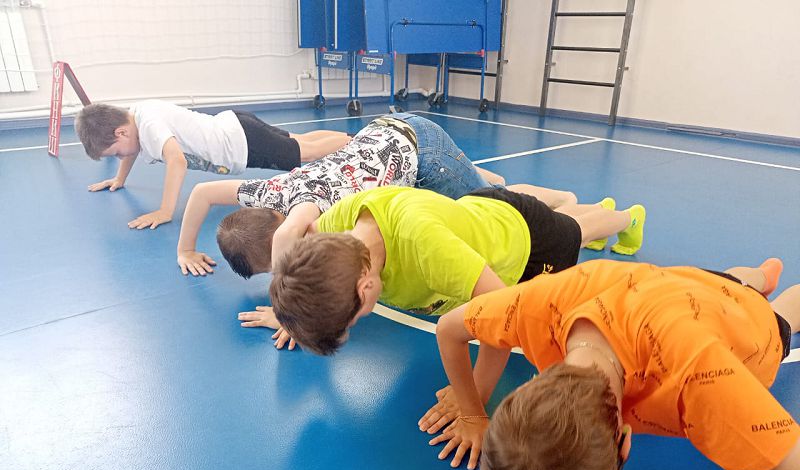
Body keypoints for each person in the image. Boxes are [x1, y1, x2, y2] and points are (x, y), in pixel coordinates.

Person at [427, 257, 799, 470]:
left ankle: (774, 295)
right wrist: (472, 415)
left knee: (779, 313)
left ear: (625, 442)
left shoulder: (705, 385)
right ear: (529, 388)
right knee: (732, 283)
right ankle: (757, 276)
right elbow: (449, 328)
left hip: (747, 326)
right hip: (676, 285)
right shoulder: (533, 307)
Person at [264, 185, 645, 353]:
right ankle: (598, 208)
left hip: (524, 240)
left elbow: (504, 315)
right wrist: (299, 314)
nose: (356, 322)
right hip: (474, 216)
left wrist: (472, 403)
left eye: (354, 320)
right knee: (568, 223)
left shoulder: (429, 248)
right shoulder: (336, 229)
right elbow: (308, 262)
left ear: (365, 289)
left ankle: (628, 218)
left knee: (576, 232)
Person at [175, 112, 520, 277]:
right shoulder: (264, 192)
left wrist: (284, 311)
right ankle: (472, 171)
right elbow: (203, 192)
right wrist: (185, 250)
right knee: (458, 185)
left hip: (422, 150)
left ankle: (505, 188)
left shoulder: (306, 210)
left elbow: (286, 234)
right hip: (382, 134)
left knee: (492, 204)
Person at [74, 100, 350, 229]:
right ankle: (350, 140)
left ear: (121, 132)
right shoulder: (136, 115)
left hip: (240, 143)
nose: (120, 157)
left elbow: (177, 160)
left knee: (307, 153)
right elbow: (130, 151)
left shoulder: (148, 127)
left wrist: (165, 211)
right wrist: (119, 179)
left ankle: (355, 144)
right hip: (237, 124)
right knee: (301, 141)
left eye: (115, 153)